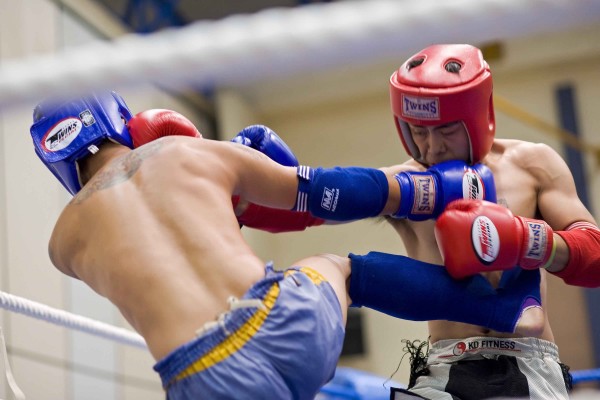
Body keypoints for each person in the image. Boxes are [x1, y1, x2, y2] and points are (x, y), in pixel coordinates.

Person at [30, 91, 547, 399]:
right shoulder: (184, 153)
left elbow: (155, 260)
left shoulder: (62, 244)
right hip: (285, 323)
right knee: (340, 267)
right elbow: (316, 192)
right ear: (118, 116)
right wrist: (437, 188)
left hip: (203, 380)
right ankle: (505, 308)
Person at [383, 44, 600, 399]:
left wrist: (527, 240)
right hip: (445, 368)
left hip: (530, 363)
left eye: (446, 129)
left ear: (476, 117)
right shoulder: (403, 186)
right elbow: (321, 201)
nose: (432, 147)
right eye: (418, 131)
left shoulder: (532, 165)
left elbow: (595, 256)